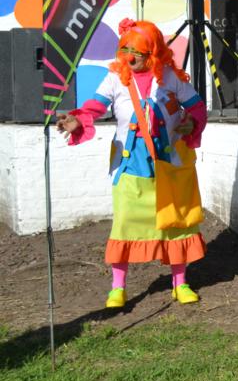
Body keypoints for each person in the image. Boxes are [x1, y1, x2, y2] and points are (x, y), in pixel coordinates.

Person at [56, 19, 206, 308]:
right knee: (125, 224)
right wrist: (77, 120)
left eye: (136, 51)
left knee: (176, 224)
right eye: (125, 49)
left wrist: (191, 123)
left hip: (169, 164)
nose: (129, 56)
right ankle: (118, 287)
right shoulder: (115, 77)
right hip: (130, 165)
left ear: (153, 53)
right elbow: (95, 107)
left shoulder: (170, 77)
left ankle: (180, 283)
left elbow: (197, 106)